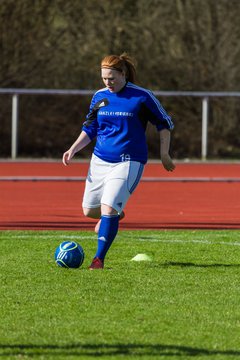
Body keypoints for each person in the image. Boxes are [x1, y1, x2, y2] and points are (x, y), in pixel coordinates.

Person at [62, 52, 175, 270]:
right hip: (100, 160)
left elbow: (164, 123)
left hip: (129, 161)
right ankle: (114, 214)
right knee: (89, 211)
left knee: (107, 209)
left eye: (112, 78)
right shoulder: (99, 96)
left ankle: (98, 259)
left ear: (123, 74)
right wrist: (73, 149)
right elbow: (91, 127)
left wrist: (164, 154)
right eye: (104, 78)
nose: (108, 82)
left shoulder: (142, 96)